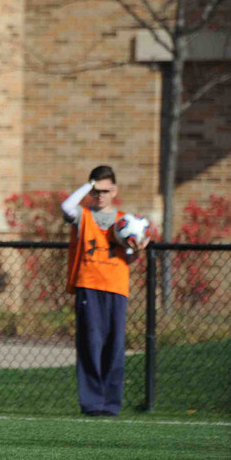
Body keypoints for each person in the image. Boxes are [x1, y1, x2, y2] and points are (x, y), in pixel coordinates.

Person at [61, 165, 148, 417]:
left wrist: (139, 251)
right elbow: (66, 207)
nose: (100, 195)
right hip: (88, 286)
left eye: (105, 190)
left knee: (114, 346)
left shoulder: (125, 222)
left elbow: (129, 258)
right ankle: (91, 404)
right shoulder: (83, 215)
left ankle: (111, 405)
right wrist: (88, 186)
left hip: (116, 289)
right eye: (96, 190)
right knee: (90, 344)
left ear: (115, 190)